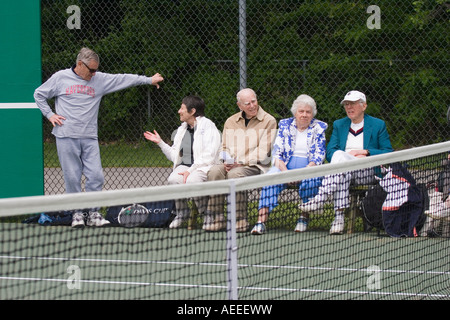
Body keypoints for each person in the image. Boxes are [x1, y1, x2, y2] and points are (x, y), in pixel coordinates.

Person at [34, 47, 164, 228]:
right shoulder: (60, 78)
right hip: (66, 136)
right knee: (72, 177)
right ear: (80, 64)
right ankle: (77, 214)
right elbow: (39, 94)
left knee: (96, 176)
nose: (94, 74)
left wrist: (149, 80)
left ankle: (93, 213)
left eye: (96, 70)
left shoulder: (99, 79)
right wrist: (50, 115)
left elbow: (123, 78)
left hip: (89, 137)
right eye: (91, 70)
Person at [299, 90, 393, 235]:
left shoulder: (377, 125)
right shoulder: (339, 124)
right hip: (344, 169)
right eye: (346, 104)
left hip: (367, 170)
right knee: (341, 163)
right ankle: (338, 218)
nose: (349, 107)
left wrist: (366, 152)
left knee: (341, 165)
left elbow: (388, 152)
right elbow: (330, 153)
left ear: (364, 106)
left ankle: (321, 199)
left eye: (353, 104)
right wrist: (345, 157)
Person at [251, 94, 328, 235]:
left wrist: (304, 172)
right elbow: (277, 152)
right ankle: (260, 222)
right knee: (269, 179)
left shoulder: (319, 128)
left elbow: (319, 156)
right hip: (284, 168)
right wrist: (286, 172)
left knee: (312, 181)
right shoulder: (285, 125)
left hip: (309, 169)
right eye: (301, 111)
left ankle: (303, 218)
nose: (304, 115)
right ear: (295, 112)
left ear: (313, 114)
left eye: (308, 112)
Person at [203, 88, 277, 232]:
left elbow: (263, 152)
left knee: (235, 174)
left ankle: (240, 219)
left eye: (253, 101)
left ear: (257, 100)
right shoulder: (231, 121)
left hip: (255, 166)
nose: (252, 106)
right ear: (239, 105)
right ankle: (218, 219)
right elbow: (223, 147)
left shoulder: (269, 121)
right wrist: (226, 159)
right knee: (214, 172)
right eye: (247, 103)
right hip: (231, 164)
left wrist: (240, 162)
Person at [143, 95, 221, 228]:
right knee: (173, 180)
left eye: (182, 108)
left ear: (192, 111)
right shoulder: (182, 129)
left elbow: (209, 156)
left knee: (193, 181)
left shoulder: (208, 126)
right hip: (185, 166)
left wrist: (189, 171)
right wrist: (160, 143)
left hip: (205, 166)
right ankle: (182, 212)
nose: (179, 111)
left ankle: (206, 213)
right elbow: (175, 157)